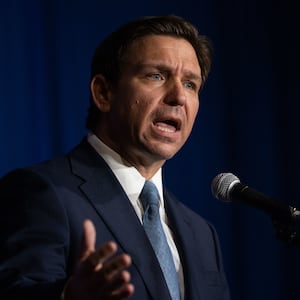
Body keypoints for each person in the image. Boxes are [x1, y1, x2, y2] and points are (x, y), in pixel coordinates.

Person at [0, 15, 230, 300]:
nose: (178, 97)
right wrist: (68, 296)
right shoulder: (43, 193)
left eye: (190, 84)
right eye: (156, 75)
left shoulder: (202, 234)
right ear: (103, 93)